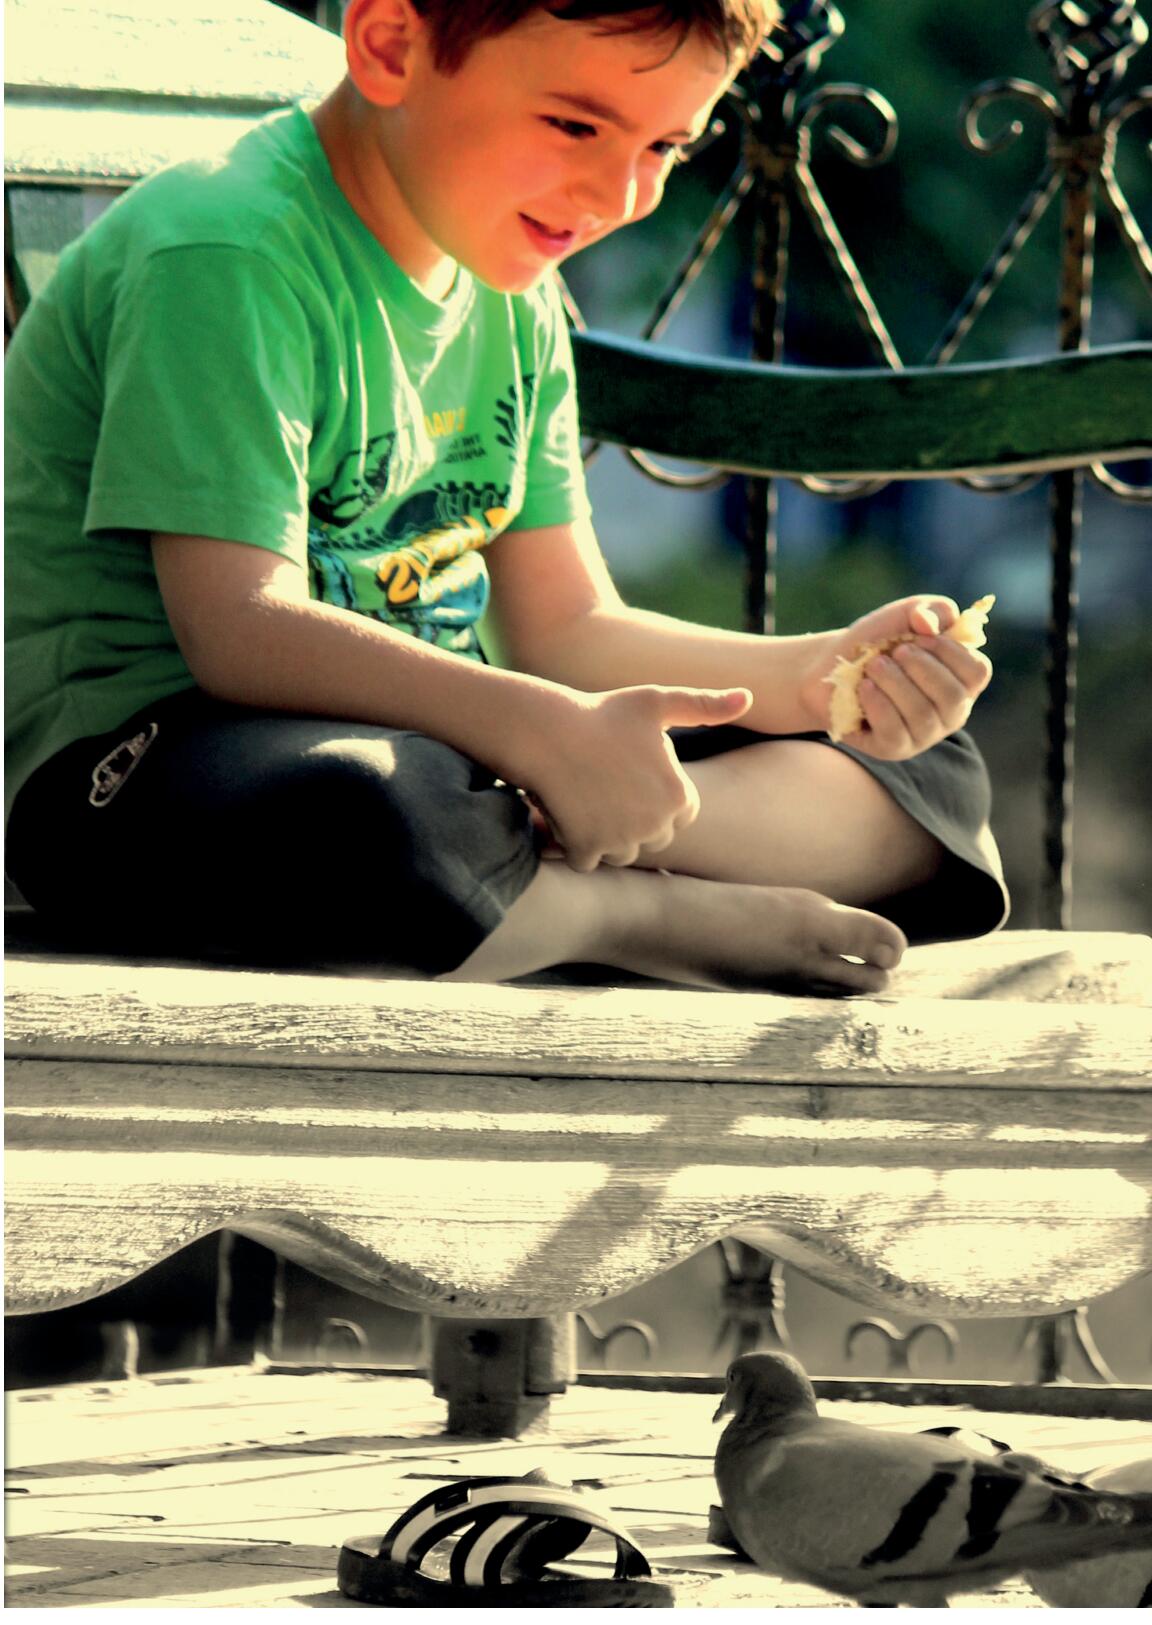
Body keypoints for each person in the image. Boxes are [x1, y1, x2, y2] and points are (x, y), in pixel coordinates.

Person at [4, 0, 1007, 995]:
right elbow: (237, 631)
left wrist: (816, 679)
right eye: (574, 125)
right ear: (391, 46)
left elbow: (567, 629)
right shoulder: (228, 249)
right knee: (365, 812)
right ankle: (630, 912)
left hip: (459, 750)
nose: (620, 193)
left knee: (932, 777)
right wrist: (536, 732)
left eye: (665, 147)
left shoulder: (510, 278)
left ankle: (551, 854)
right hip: (150, 770)